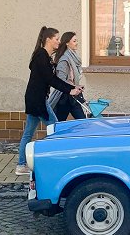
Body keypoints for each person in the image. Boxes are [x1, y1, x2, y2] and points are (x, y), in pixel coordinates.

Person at [15, 26, 82, 175]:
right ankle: (55, 161)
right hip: (38, 100)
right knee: (55, 128)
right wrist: (69, 89)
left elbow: (50, 78)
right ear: (48, 40)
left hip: (36, 99)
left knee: (28, 133)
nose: (59, 42)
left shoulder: (44, 56)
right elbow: (51, 79)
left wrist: (71, 87)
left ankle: (21, 165)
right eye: (57, 39)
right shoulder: (41, 56)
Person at [48, 31, 86, 121]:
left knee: (82, 121)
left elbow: (70, 79)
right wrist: (72, 88)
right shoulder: (64, 60)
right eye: (74, 41)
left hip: (72, 95)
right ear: (67, 43)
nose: (77, 43)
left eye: (77, 41)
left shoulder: (73, 58)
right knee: (60, 123)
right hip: (64, 97)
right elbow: (60, 80)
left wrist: (76, 86)